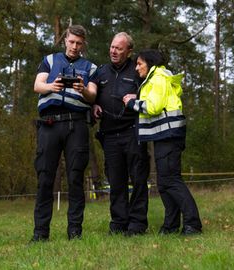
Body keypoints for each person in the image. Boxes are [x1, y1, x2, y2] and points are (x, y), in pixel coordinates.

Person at [123, 49, 202, 235]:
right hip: (165, 136)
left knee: (171, 181)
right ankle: (170, 226)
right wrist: (139, 98)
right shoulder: (157, 79)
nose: (136, 68)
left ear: (149, 64)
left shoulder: (157, 78)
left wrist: (131, 103)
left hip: (169, 136)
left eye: (139, 64)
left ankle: (193, 224)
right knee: (164, 183)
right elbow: (156, 101)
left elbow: (153, 106)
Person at [31, 25, 97, 241]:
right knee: (45, 178)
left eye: (79, 43)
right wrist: (53, 86)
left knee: (76, 178)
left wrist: (83, 89)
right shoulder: (49, 60)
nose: (74, 46)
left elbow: (93, 96)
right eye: (71, 42)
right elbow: (37, 85)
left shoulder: (90, 67)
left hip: (76, 125)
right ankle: (40, 233)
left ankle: (75, 232)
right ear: (65, 40)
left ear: (83, 44)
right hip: (49, 124)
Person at [88, 32, 150, 236]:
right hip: (109, 135)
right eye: (112, 47)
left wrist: (139, 95)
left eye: (119, 48)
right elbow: (90, 94)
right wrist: (94, 105)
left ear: (129, 51)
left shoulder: (138, 70)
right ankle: (118, 223)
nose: (113, 51)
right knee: (116, 182)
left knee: (139, 179)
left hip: (133, 132)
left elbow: (152, 94)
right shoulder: (101, 71)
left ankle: (137, 224)